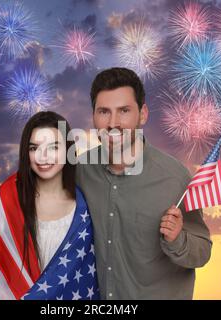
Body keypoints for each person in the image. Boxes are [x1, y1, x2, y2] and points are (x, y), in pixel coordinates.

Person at [76, 67, 212, 300]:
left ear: (143, 114)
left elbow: (202, 253)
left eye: (124, 111)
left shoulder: (174, 178)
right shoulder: (80, 171)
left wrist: (177, 240)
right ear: (94, 116)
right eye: (104, 112)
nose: (113, 123)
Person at [0, 111, 99, 300]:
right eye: (34, 148)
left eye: (54, 147)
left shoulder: (84, 210)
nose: (43, 156)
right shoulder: (7, 199)